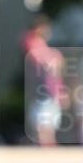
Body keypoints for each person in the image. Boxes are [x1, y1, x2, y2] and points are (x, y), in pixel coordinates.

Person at [22, 16, 65, 146]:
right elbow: (42, 61)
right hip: (41, 88)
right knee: (43, 120)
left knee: (49, 121)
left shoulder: (42, 45)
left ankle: (49, 145)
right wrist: (54, 57)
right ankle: (46, 145)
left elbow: (54, 69)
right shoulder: (32, 41)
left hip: (49, 88)